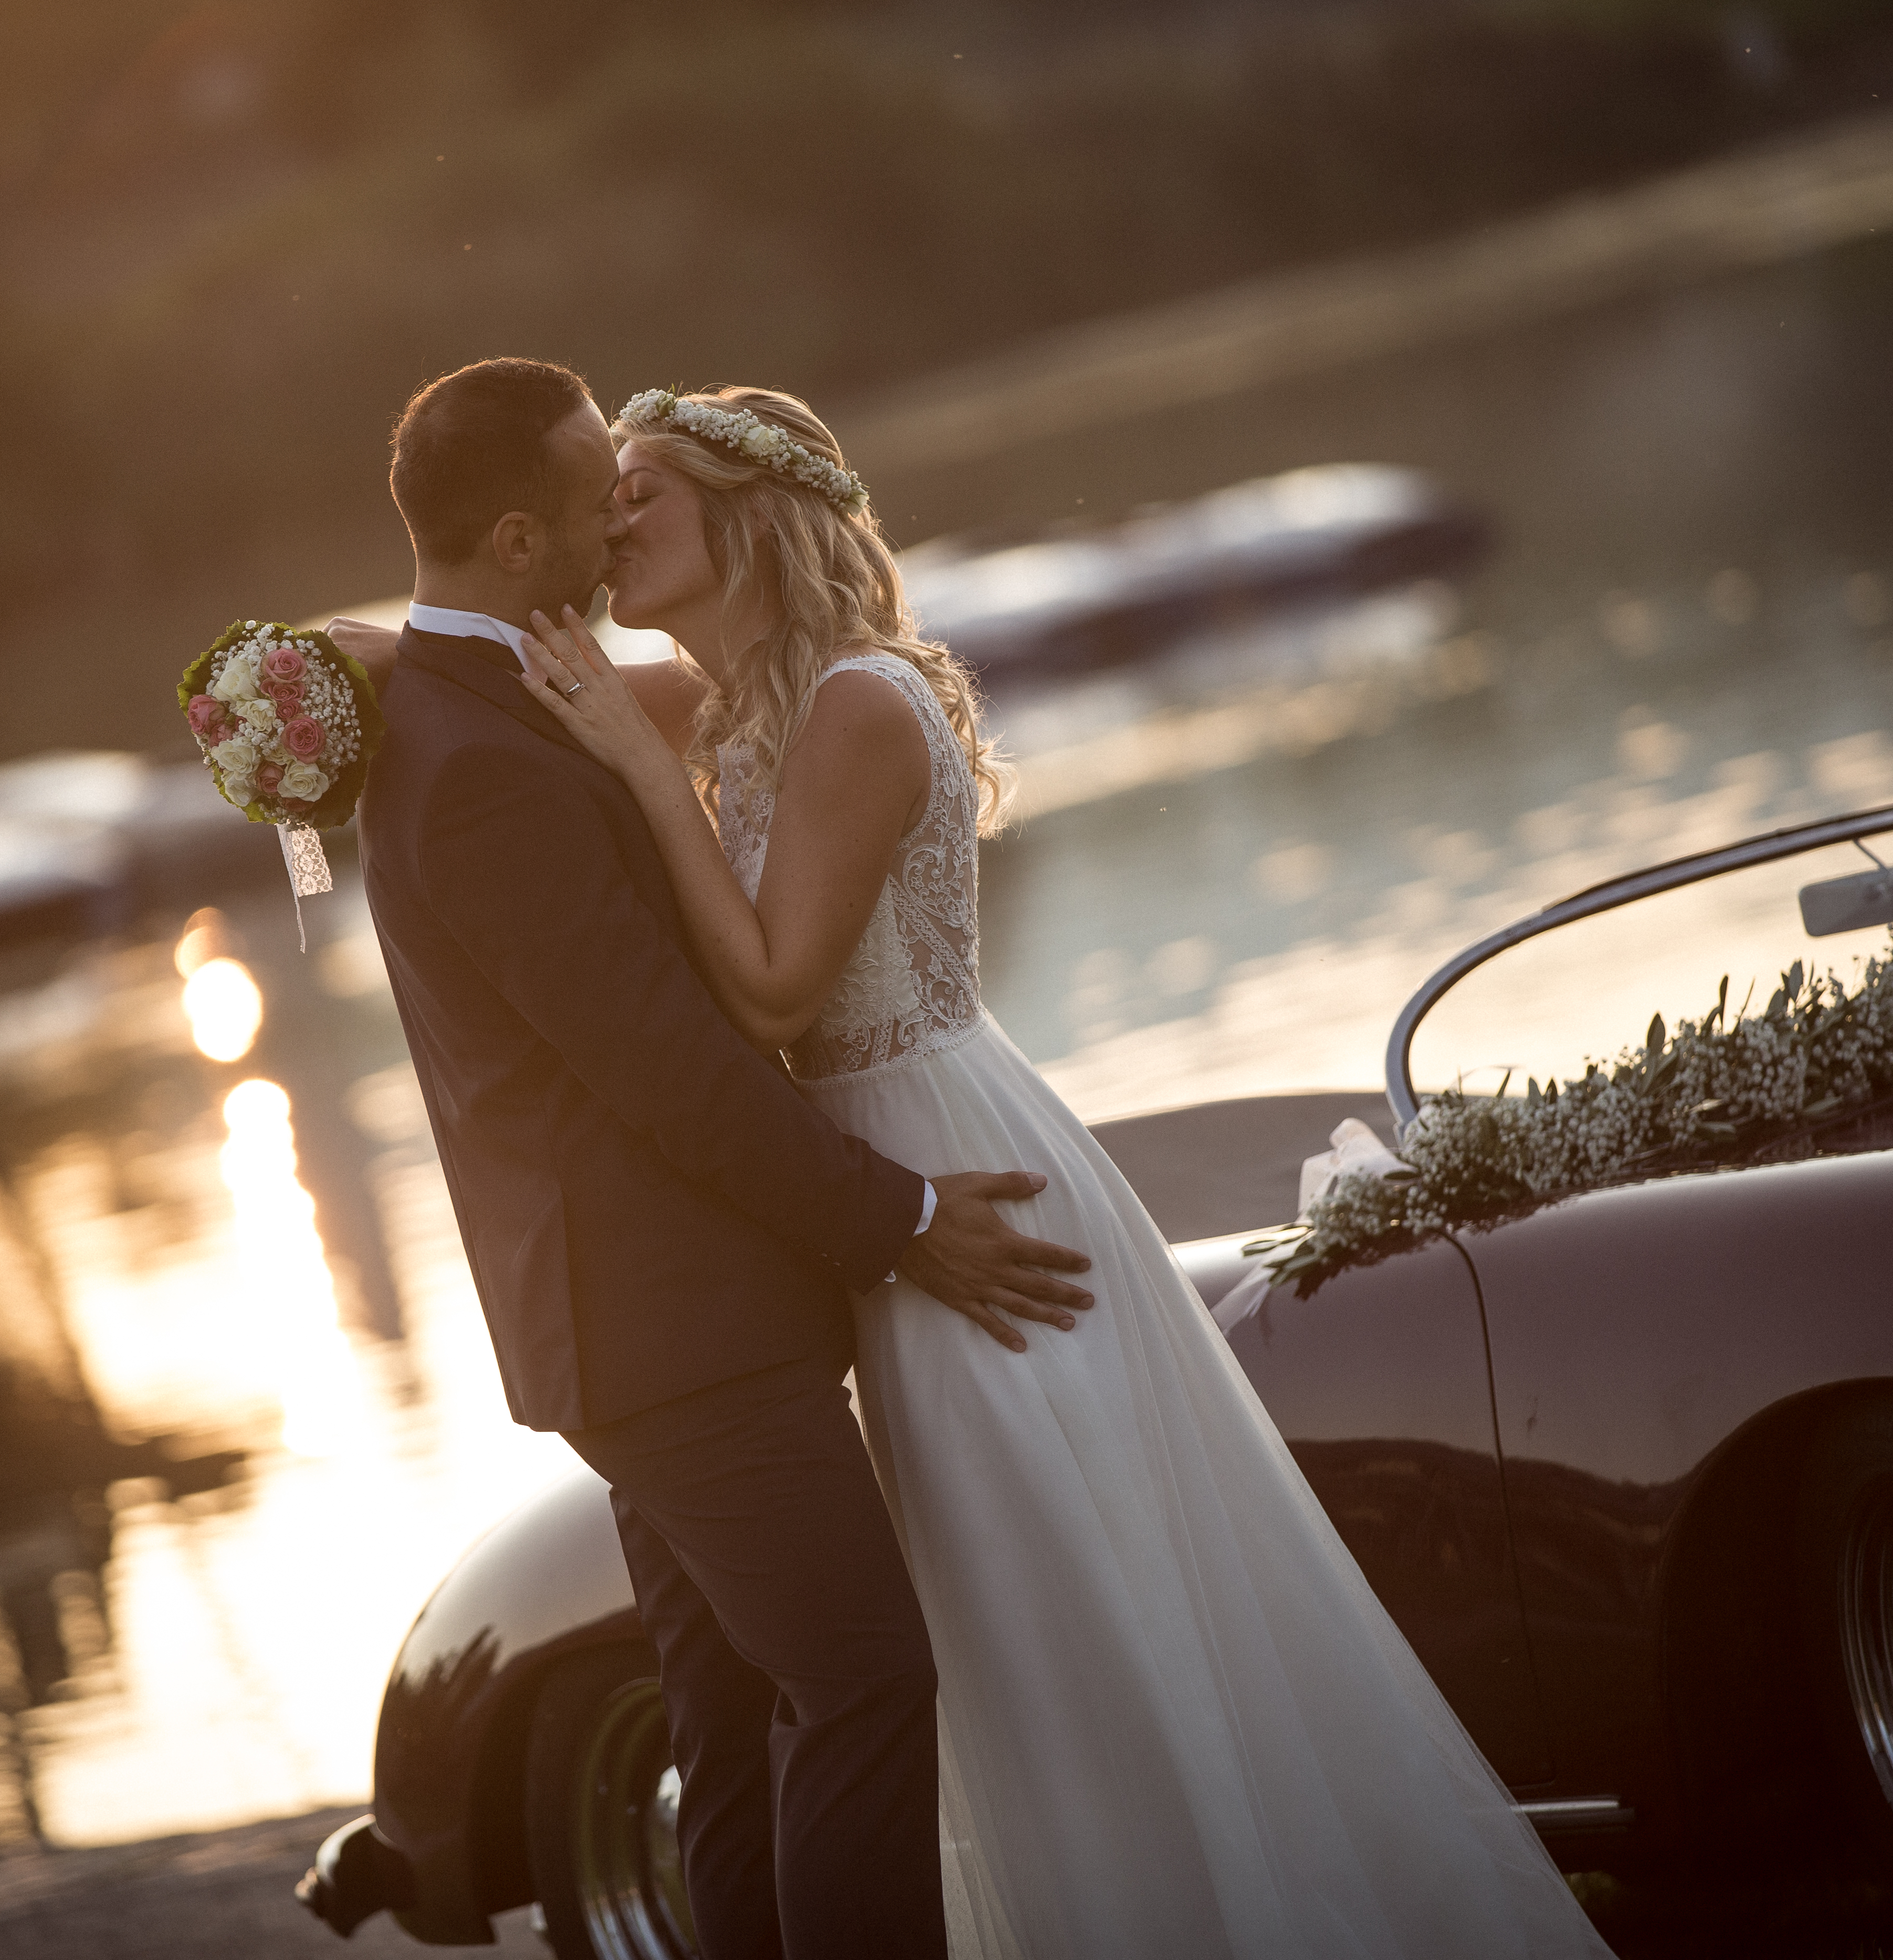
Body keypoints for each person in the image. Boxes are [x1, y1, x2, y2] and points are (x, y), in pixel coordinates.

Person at [502, 383, 1621, 1958]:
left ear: (751, 517)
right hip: (868, 1188)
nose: (611, 529)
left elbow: (772, 994)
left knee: (1062, 1592)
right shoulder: (737, 707)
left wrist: (627, 750)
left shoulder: (856, 709)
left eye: (641, 500)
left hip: (950, 1169)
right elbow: (474, 660)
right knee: (992, 1609)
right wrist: (288, 693)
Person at [348, 358, 1095, 1960]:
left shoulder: (483, 696)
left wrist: (300, 654)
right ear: (516, 541)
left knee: (740, 1716)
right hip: (672, 1332)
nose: (615, 526)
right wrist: (894, 1222)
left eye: (640, 497)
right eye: (590, 504)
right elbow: (668, 1068)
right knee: (867, 1685)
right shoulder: (480, 761)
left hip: (662, 1324)